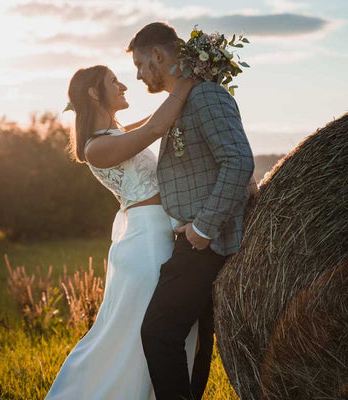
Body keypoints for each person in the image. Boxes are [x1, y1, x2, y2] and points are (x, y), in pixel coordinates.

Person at [45, 65, 199, 400]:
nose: (124, 85)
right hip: (147, 244)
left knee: (157, 329)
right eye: (114, 81)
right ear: (92, 93)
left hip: (157, 234)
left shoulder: (114, 134)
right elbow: (158, 126)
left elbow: (151, 122)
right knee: (143, 334)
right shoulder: (95, 148)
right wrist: (190, 79)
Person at [126, 22, 256, 400]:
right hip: (195, 240)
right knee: (198, 344)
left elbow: (238, 161)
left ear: (158, 55)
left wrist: (204, 228)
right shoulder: (183, 101)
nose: (137, 75)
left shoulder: (207, 97)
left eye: (139, 64)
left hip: (205, 243)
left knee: (159, 333)